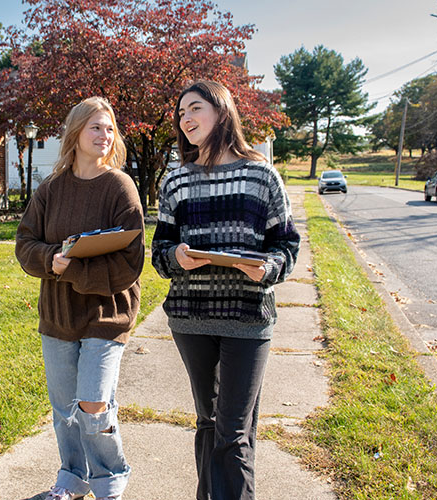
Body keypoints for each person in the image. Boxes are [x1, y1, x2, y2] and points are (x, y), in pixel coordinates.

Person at [151, 81, 300, 500]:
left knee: (231, 430)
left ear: (222, 111)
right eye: (180, 113)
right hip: (189, 317)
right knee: (209, 422)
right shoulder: (175, 180)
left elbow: (286, 245)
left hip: (247, 317)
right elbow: (159, 252)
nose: (185, 119)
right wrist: (176, 258)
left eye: (194, 108)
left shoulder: (261, 175)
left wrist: (269, 267)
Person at [15, 97, 144, 500]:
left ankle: (110, 479)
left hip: (106, 315)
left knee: (93, 403)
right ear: (75, 133)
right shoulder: (51, 189)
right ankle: (72, 478)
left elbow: (131, 261)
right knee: (65, 412)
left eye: (109, 129)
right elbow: (24, 244)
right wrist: (50, 260)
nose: (105, 136)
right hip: (58, 316)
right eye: (96, 128)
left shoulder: (119, 186)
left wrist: (74, 269)